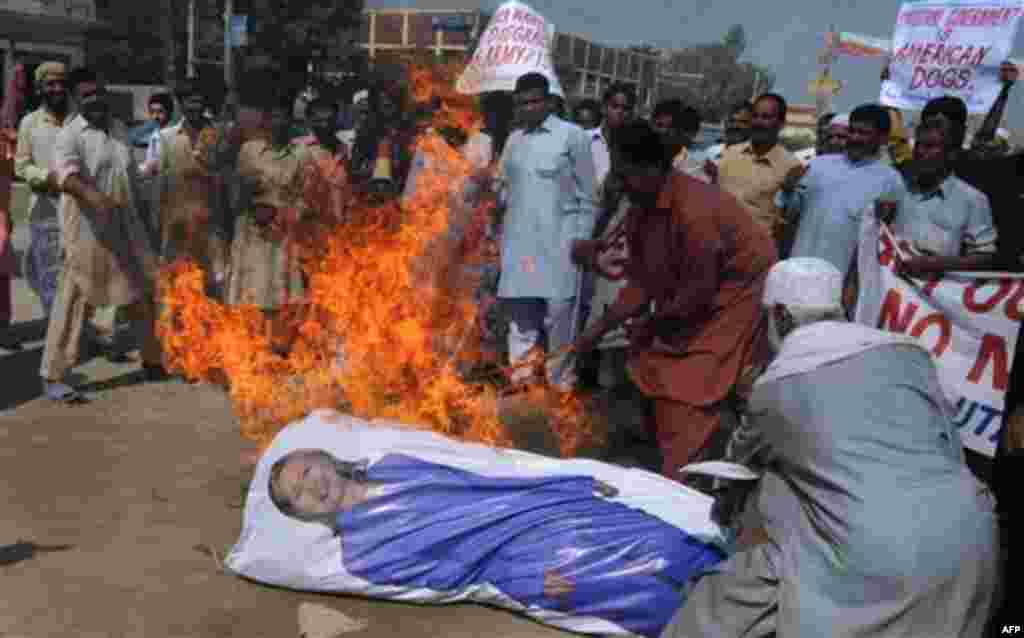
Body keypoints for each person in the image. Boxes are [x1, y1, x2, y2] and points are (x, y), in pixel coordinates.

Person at [661, 257, 1000, 638]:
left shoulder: (780, 383)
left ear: (782, 317)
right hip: (973, 544)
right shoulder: (910, 354)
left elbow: (741, 462)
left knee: (771, 501)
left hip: (879, 558)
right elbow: (949, 447)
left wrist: (730, 500)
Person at [269, 447, 725, 638]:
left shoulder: (396, 464)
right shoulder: (363, 553)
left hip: (541, 512)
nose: (311, 487)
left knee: (663, 544)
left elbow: (480, 480)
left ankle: (762, 591)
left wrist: (565, 486)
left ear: (324, 458)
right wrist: (526, 579)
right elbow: (453, 576)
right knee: (647, 597)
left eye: (307, 471)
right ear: (303, 515)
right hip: (526, 562)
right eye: (297, 496)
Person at [572, 122, 776, 478]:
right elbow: (642, 283)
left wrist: (653, 322)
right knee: (649, 360)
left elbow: (698, 292)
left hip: (738, 295)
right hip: (696, 294)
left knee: (694, 385)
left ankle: (684, 475)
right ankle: (666, 448)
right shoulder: (641, 207)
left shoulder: (694, 211)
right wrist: (597, 331)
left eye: (625, 174)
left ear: (652, 169)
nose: (619, 184)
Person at [40, 68, 166, 403]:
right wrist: (96, 198)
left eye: (97, 92)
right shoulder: (70, 135)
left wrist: (146, 220)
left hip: (126, 227)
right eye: (86, 95)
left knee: (140, 293)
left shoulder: (120, 129)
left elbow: (132, 180)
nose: (94, 98)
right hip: (86, 231)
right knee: (73, 299)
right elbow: (67, 177)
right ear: (76, 99)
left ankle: (153, 360)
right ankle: (53, 376)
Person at [495, 72, 598, 388]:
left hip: (560, 246)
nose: (529, 107)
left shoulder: (572, 136)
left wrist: (582, 238)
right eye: (522, 102)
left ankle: (560, 390)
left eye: (535, 100)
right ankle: (522, 389)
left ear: (550, 101)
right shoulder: (514, 140)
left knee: (559, 321)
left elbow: (590, 195)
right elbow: (502, 188)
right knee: (521, 322)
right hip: (519, 246)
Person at [782, 104, 905, 276]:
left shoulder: (891, 181)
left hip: (840, 282)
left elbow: (884, 243)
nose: (855, 138)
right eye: (852, 131)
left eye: (863, 133)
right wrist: (788, 191)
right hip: (797, 271)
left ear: (883, 138)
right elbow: (790, 216)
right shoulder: (818, 165)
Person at [226, 94, 310, 311]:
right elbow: (236, 193)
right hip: (251, 235)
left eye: (284, 117)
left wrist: (282, 214)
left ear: (291, 121)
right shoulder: (249, 150)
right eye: (274, 117)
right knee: (249, 301)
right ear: (266, 121)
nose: (279, 123)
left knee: (279, 302)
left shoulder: (300, 155)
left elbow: (305, 199)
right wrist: (253, 205)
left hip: (282, 238)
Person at [888, 117, 998, 277]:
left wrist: (936, 264)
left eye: (930, 146)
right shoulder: (898, 189)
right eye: (918, 145)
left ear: (952, 154)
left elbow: (985, 257)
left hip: (933, 295)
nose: (920, 152)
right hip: (891, 291)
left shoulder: (973, 200)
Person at [154, 79, 233, 295]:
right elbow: (161, 186)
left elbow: (227, 180)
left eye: (198, 101)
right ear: (180, 103)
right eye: (189, 101)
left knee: (217, 287)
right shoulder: (166, 138)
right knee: (181, 289)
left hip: (212, 227)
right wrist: (159, 225)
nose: (194, 107)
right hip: (177, 227)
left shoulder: (219, 135)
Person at [14, 61, 72, 320]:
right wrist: (44, 177)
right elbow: (22, 165)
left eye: (61, 83)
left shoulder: (79, 119)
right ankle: (56, 329)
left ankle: (89, 330)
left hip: (78, 208)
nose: (57, 88)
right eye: (50, 84)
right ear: (40, 89)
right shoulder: (29, 123)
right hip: (45, 209)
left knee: (81, 270)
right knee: (49, 273)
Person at [710, 93, 801, 252]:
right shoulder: (729, 154)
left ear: (781, 124)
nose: (759, 122)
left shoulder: (792, 167)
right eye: (755, 116)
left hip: (755, 256)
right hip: (716, 248)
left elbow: (789, 221)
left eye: (766, 117)